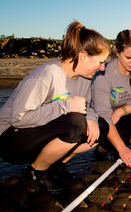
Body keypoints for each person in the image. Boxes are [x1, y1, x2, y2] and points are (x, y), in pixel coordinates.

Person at [0, 21, 110, 195]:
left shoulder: (85, 78)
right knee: (75, 123)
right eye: (100, 62)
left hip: (40, 132)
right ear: (82, 56)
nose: (103, 68)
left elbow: (84, 106)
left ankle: (56, 162)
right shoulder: (46, 75)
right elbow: (18, 119)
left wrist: (92, 118)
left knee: (102, 126)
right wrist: (66, 105)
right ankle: (36, 171)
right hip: (11, 140)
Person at [92, 29, 131, 168]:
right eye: (128, 58)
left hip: (123, 114)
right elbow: (103, 113)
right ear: (117, 53)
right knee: (121, 133)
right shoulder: (103, 75)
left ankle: (121, 146)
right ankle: (100, 151)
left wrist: (120, 111)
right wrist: (121, 148)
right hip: (105, 120)